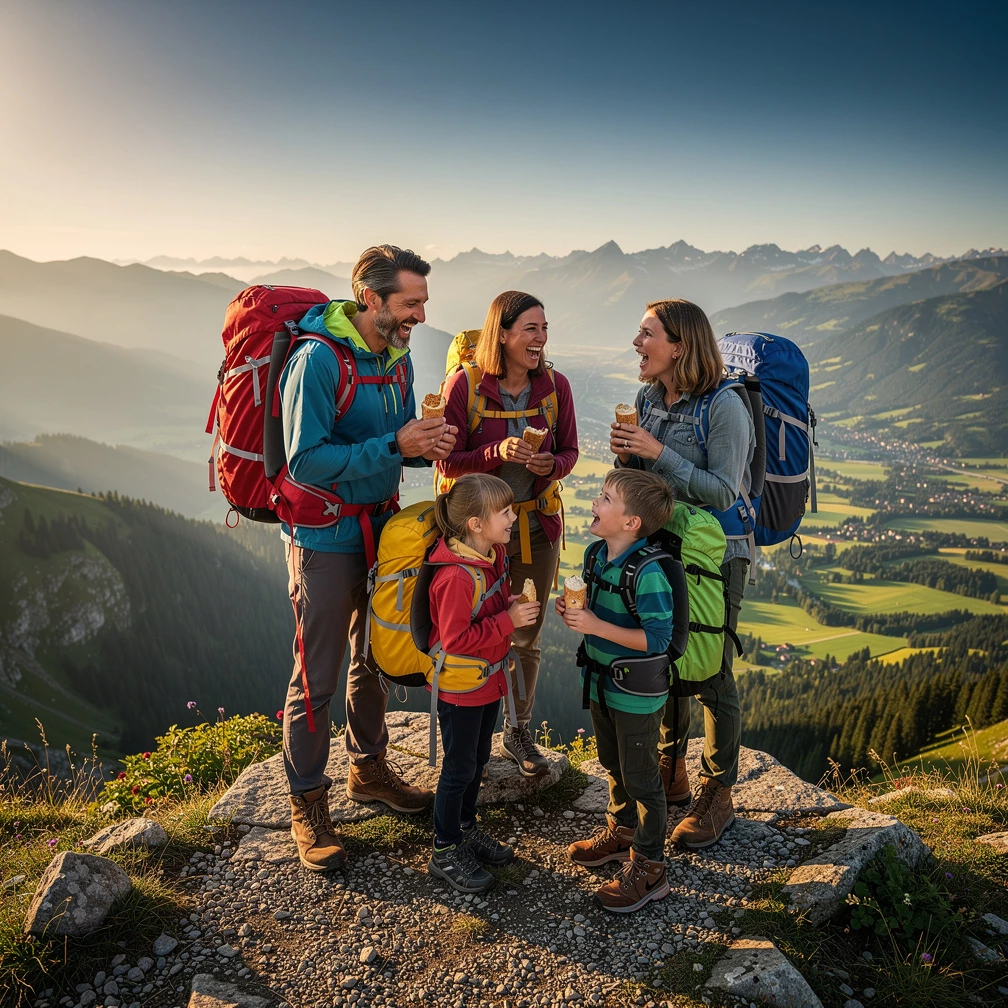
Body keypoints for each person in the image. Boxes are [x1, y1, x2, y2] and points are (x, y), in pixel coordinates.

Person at [280, 244, 458, 872]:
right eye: (410, 303)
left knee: (375, 654)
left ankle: (368, 769)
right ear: (370, 298)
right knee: (317, 675)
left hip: (382, 533)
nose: (420, 316)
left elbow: (397, 444)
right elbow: (304, 461)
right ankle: (307, 804)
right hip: (325, 538)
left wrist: (424, 445)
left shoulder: (397, 358)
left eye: (423, 303)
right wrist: (394, 445)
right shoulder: (317, 360)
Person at [610, 299, 755, 849]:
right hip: (661, 548)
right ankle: (671, 773)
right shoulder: (649, 398)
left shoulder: (725, 406)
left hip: (716, 555)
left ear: (679, 346)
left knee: (711, 669)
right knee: (662, 655)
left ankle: (719, 793)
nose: (636, 343)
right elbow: (650, 484)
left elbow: (724, 491)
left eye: (646, 333)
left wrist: (658, 451)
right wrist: (629, 460)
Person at [438, 291, 579, 775]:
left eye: (544, 329)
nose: (541, 339)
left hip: (536, 526)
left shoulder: (555, 386)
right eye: (530, 329)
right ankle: (472, 729)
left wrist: (550, 465)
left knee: (526, 633)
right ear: (502, 333)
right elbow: (446, 462)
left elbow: (570, 451)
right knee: (476, 629)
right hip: (478, 537)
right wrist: (494, 454)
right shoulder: (465, 385)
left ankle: (517, 731)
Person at [558, 469, 676, 912]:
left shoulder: (648, 574)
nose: (595, 502)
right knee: (612, 763)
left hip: (636, 695)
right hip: (600, 683)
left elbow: (658, 639)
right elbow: (597, 612)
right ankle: (622, 831)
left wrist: (594, 626)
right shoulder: (595, 555)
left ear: (632, 522)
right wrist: (575, 610)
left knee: (642, 777)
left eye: (605, 498)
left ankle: (650, 866)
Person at [426, 473, 539, 893]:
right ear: (475, 523)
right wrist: (508, 620)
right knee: (458, 768)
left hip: (486, 682)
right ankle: (444, 848)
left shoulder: (491, 555)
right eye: (505, 512)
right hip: (461, 688)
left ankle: (465, 828)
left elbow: (483, 608)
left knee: (477, 760)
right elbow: (455, 639)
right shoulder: (456, 577)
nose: (513, 517)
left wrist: (507, 604)